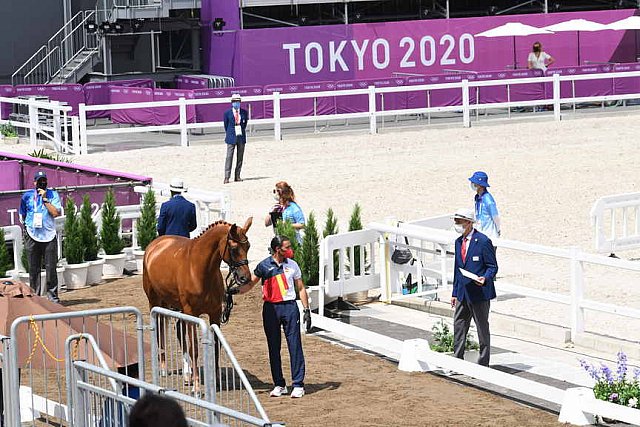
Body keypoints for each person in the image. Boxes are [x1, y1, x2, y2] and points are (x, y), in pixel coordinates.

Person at [239, 235, 311, 399]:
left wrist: (306, 310)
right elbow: (250, 284)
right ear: (278, 249)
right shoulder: (264, 266)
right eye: (287, 247)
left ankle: (298, 384)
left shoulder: (293, 265)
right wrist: (233, 292)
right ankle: (279, 384)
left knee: (295, 346)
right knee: (274, 347)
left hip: (290, 308)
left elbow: (300, 288)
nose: (290, 250)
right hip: (271, 309)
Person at [450, 208, 498, 367]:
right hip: (463, 293)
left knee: (482, 329)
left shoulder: (483, 241)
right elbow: (457, 268)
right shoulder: (458, 242)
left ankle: (484, 362)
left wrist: (484, 278)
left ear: (469, 223)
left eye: (459, 221)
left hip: (479, 293)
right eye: (455, 221)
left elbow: (492, 266)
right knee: (459, 327)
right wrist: (455, 292)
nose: (456, 224)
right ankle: (457, 361)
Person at [19, 171, 62, 303]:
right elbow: (23, 215)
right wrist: (27, 229)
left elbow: (55, 213)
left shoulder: (53, 195)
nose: (42, 183)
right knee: (33, 268)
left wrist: (44, 199)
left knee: (51, 268)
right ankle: (35, 298)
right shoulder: (27, 196)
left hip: (48, 236)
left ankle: (53, 297)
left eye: (44, 180)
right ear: (34, 182)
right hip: (32, 235)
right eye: (39, 181)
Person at [223, 93, 249, 184]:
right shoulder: (227, 113)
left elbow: (245, 124)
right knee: (229, 157)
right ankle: (227, 177)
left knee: (240, 157)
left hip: (241, 137)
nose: (236, 103)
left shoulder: (244, 112)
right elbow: (226, 125)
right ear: (231, 102)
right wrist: (230, 133)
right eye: (235, 101)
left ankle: (237, 175)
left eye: (238, 101)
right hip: (231, 137)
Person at [468, 171, 501, 244]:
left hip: (489, 236)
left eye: (474, 183)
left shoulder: (488, 200)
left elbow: (495, 217)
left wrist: (498, 230)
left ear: (480, 185)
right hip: (480, 234)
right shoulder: (477, 197)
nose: (472, 184)